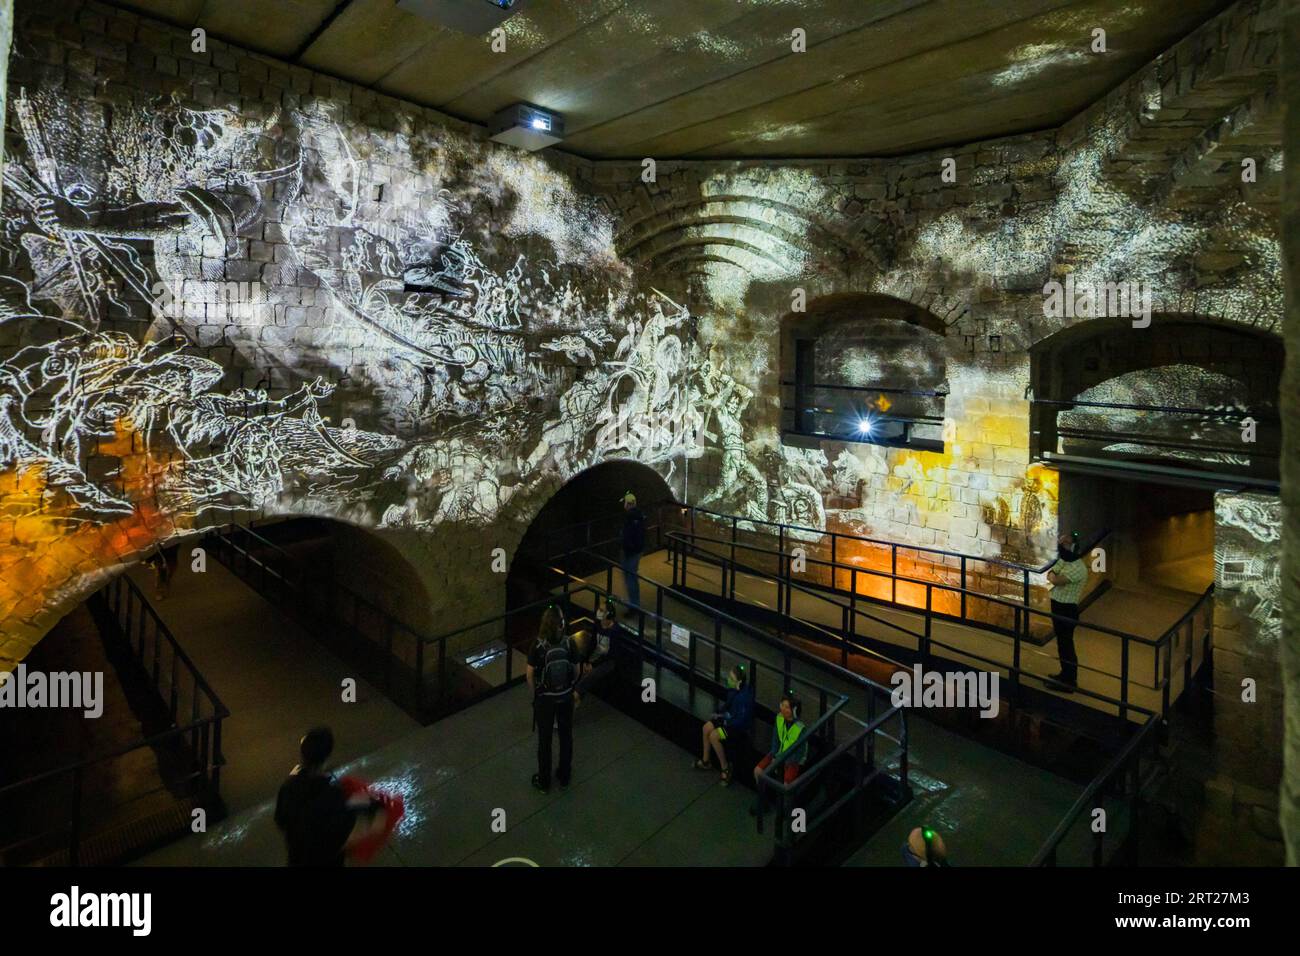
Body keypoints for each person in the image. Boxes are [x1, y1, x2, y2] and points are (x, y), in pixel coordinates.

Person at [273, 727, 390, 867]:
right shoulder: (334, 797)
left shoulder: (287, 787)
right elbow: (344, 835)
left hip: (297, 859)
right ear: (326, 758)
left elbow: (280, 820)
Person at [527, 606, 580, 793]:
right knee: (566, 736)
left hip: (545, 700)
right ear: (561, 623)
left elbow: (530, 674)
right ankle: (564, 775)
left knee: (545, 740)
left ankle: (544, 781)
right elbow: (576, 669)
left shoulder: (538, 646)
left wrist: (536, 693)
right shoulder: (568, 643)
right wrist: (571, 686)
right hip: (565, 697)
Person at [695, 664, 754, 786]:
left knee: (714, 736)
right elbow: (728, 704)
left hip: (736, 728)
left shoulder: (745, 698)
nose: (728, 680)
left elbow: (741, 721)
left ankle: (725, 768)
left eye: (732, 679)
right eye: (729, 677)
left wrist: (726, 721)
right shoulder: (733, 690)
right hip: (727, 719)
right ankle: (706, 761)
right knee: (706, 728)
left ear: (739, 682)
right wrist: (719, 713)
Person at [750, 693, 808, 816]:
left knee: (786, 786)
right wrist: (774, 757)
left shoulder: (801, 729)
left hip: (792, 761)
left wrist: (779, 762)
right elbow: (775, 742)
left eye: (786, 707)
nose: (782, 709)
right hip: (778, 755)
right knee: (757, 771)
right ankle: (763, 802)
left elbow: (797, 755)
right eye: (782, 705)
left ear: (794, 710)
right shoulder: (779, 718)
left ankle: (787, 811)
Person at [1045, 531, 1089, 692]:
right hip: (1057, 605)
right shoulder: (1065, 560)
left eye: (1064, 544)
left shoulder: (1078, 568)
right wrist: (1052, 576)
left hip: (1067, 609)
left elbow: (1055, 579)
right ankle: (1064, 675)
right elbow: (1051, 574)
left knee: (1066, 644)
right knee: (1062, 644)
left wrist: (1053, 576)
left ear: (1073, 547)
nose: (1061, 546)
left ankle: (1070, 681)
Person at [619, 492, 646, 615]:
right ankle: (635, 604)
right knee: (631, 577)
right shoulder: (639, 515)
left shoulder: (631, 517)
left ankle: (634, 606)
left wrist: (626, 547)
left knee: (630, 578)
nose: (623, 505)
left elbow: (629, 536)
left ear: (628, 504)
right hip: (636, 551)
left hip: (631, 552)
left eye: (624, 503)